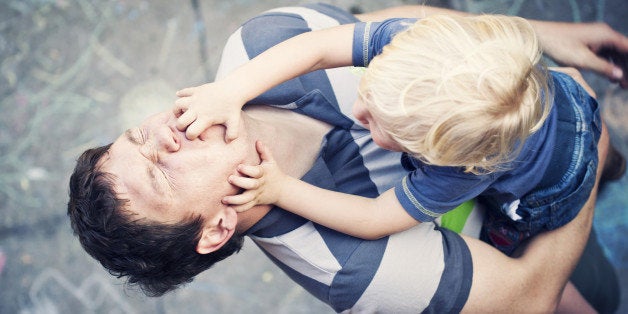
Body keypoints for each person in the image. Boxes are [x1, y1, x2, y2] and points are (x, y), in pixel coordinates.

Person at [67, 3, 623, 313]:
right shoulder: (358, 268)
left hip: (525, 109)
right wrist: (586, 157)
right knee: (595, 295)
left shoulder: (263, 44)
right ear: (215, 229)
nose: (164, 136)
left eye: (140, 136)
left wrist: (528, 50)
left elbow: (400, 35)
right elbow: (530, 297)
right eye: (162, 175)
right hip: (530, 217)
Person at [173, 13, 608, 256]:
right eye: (369, 86)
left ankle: (605, 169)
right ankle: (614, 161)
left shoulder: (460, 170)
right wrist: (230, 91)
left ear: (433, 156)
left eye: (381, 126)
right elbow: (319, 47)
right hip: (563, 96)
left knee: (507, 235)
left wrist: (280, 188)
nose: (358, 110)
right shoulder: (410, 45)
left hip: (551, 187)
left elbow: (374, 219)